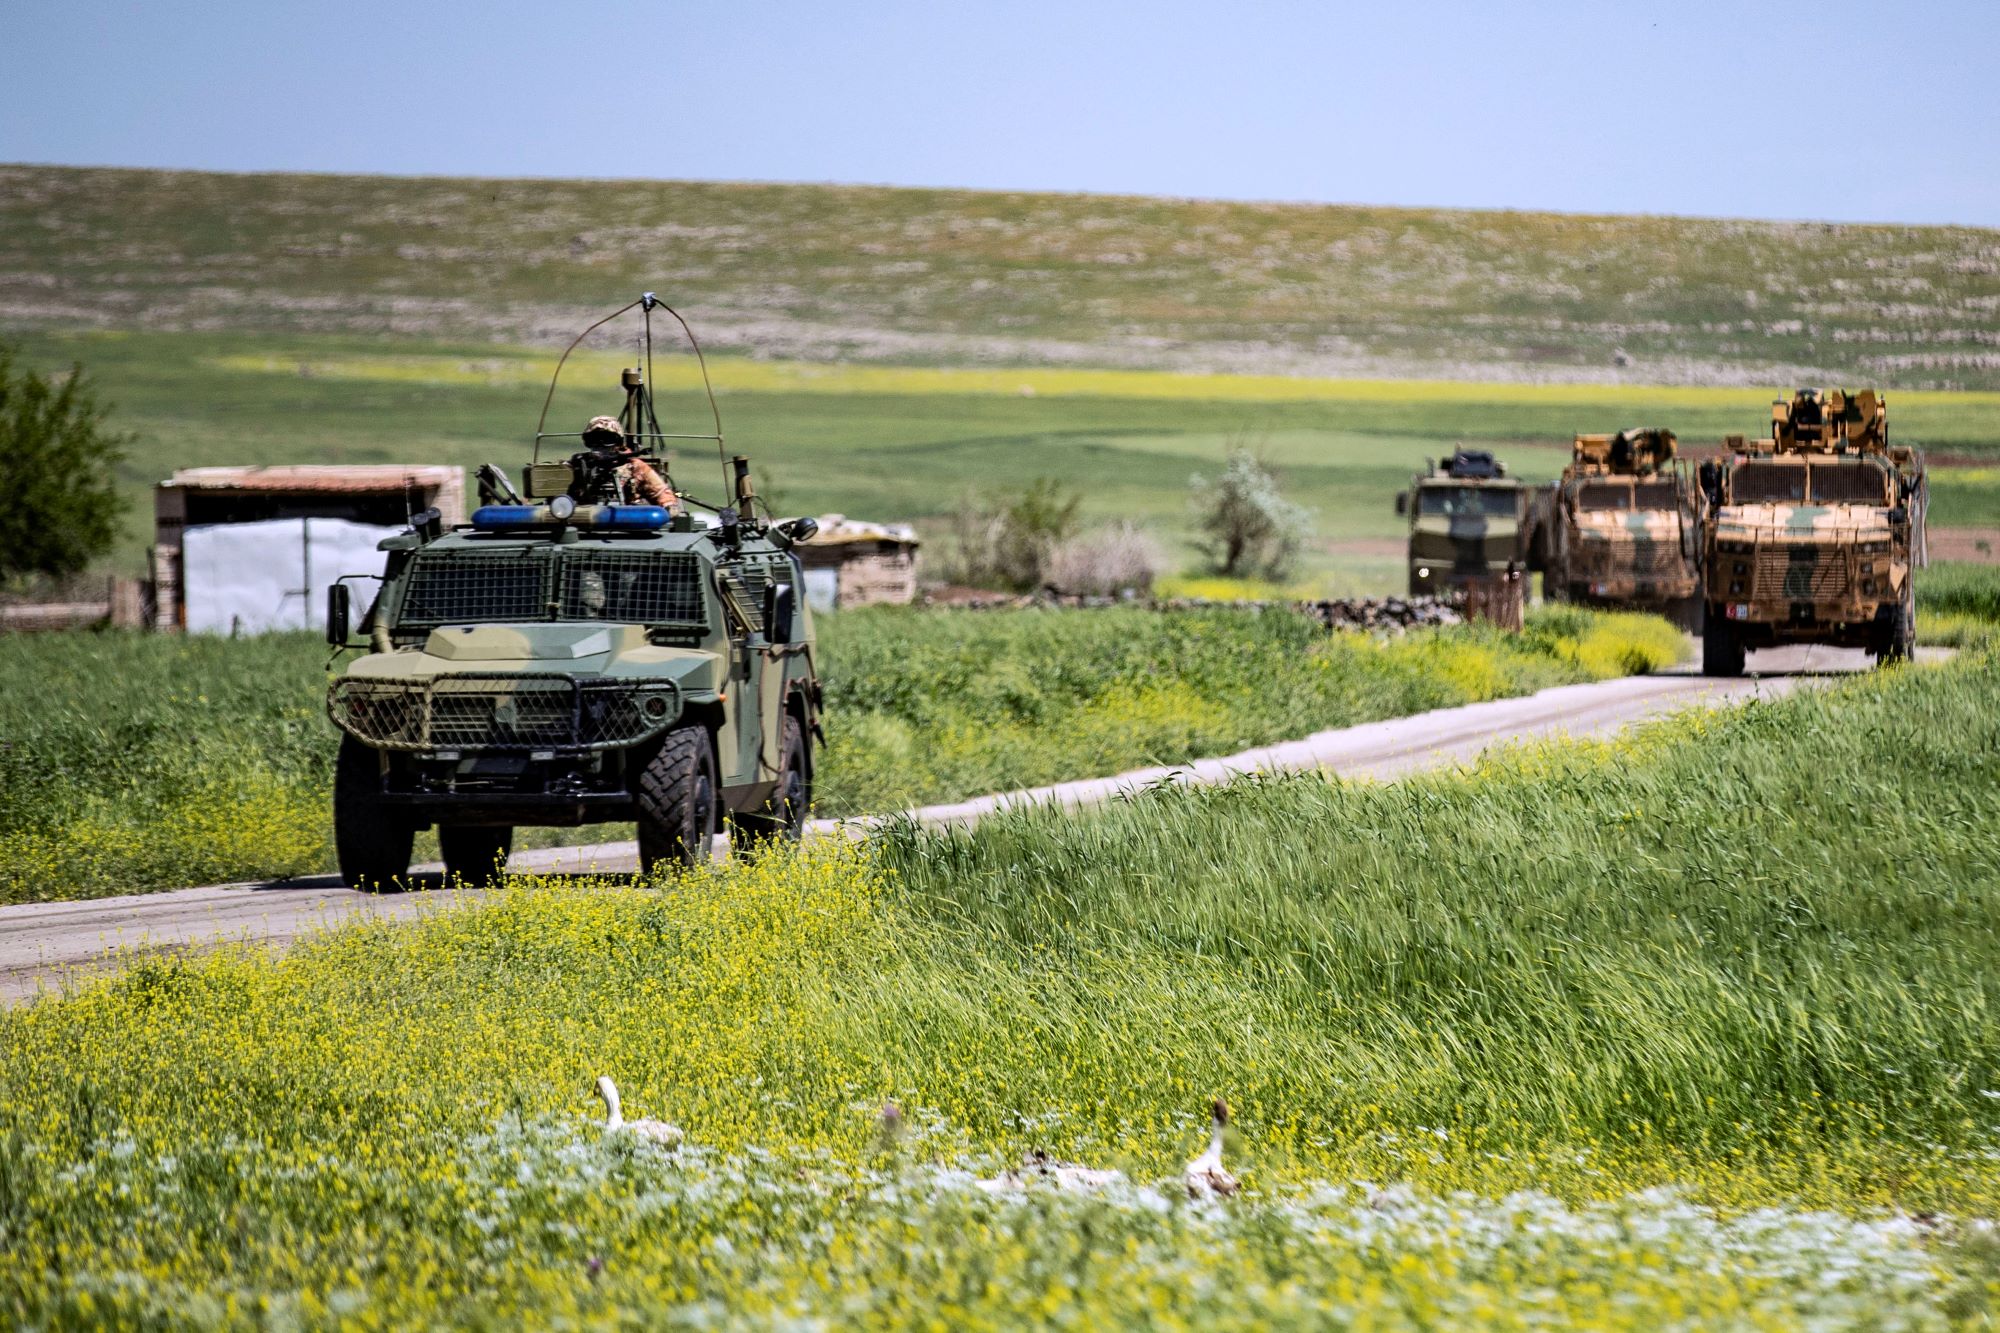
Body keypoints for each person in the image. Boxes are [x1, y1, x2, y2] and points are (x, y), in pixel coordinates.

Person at [581, 415, 676, 508]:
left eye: (607, 439)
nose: (600, 445)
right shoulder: (580, 464)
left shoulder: (635, 465)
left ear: (618, 442)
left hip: (627, 517)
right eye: (594, 439)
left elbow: (661, 493)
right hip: (586, 517)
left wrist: (668, 506)